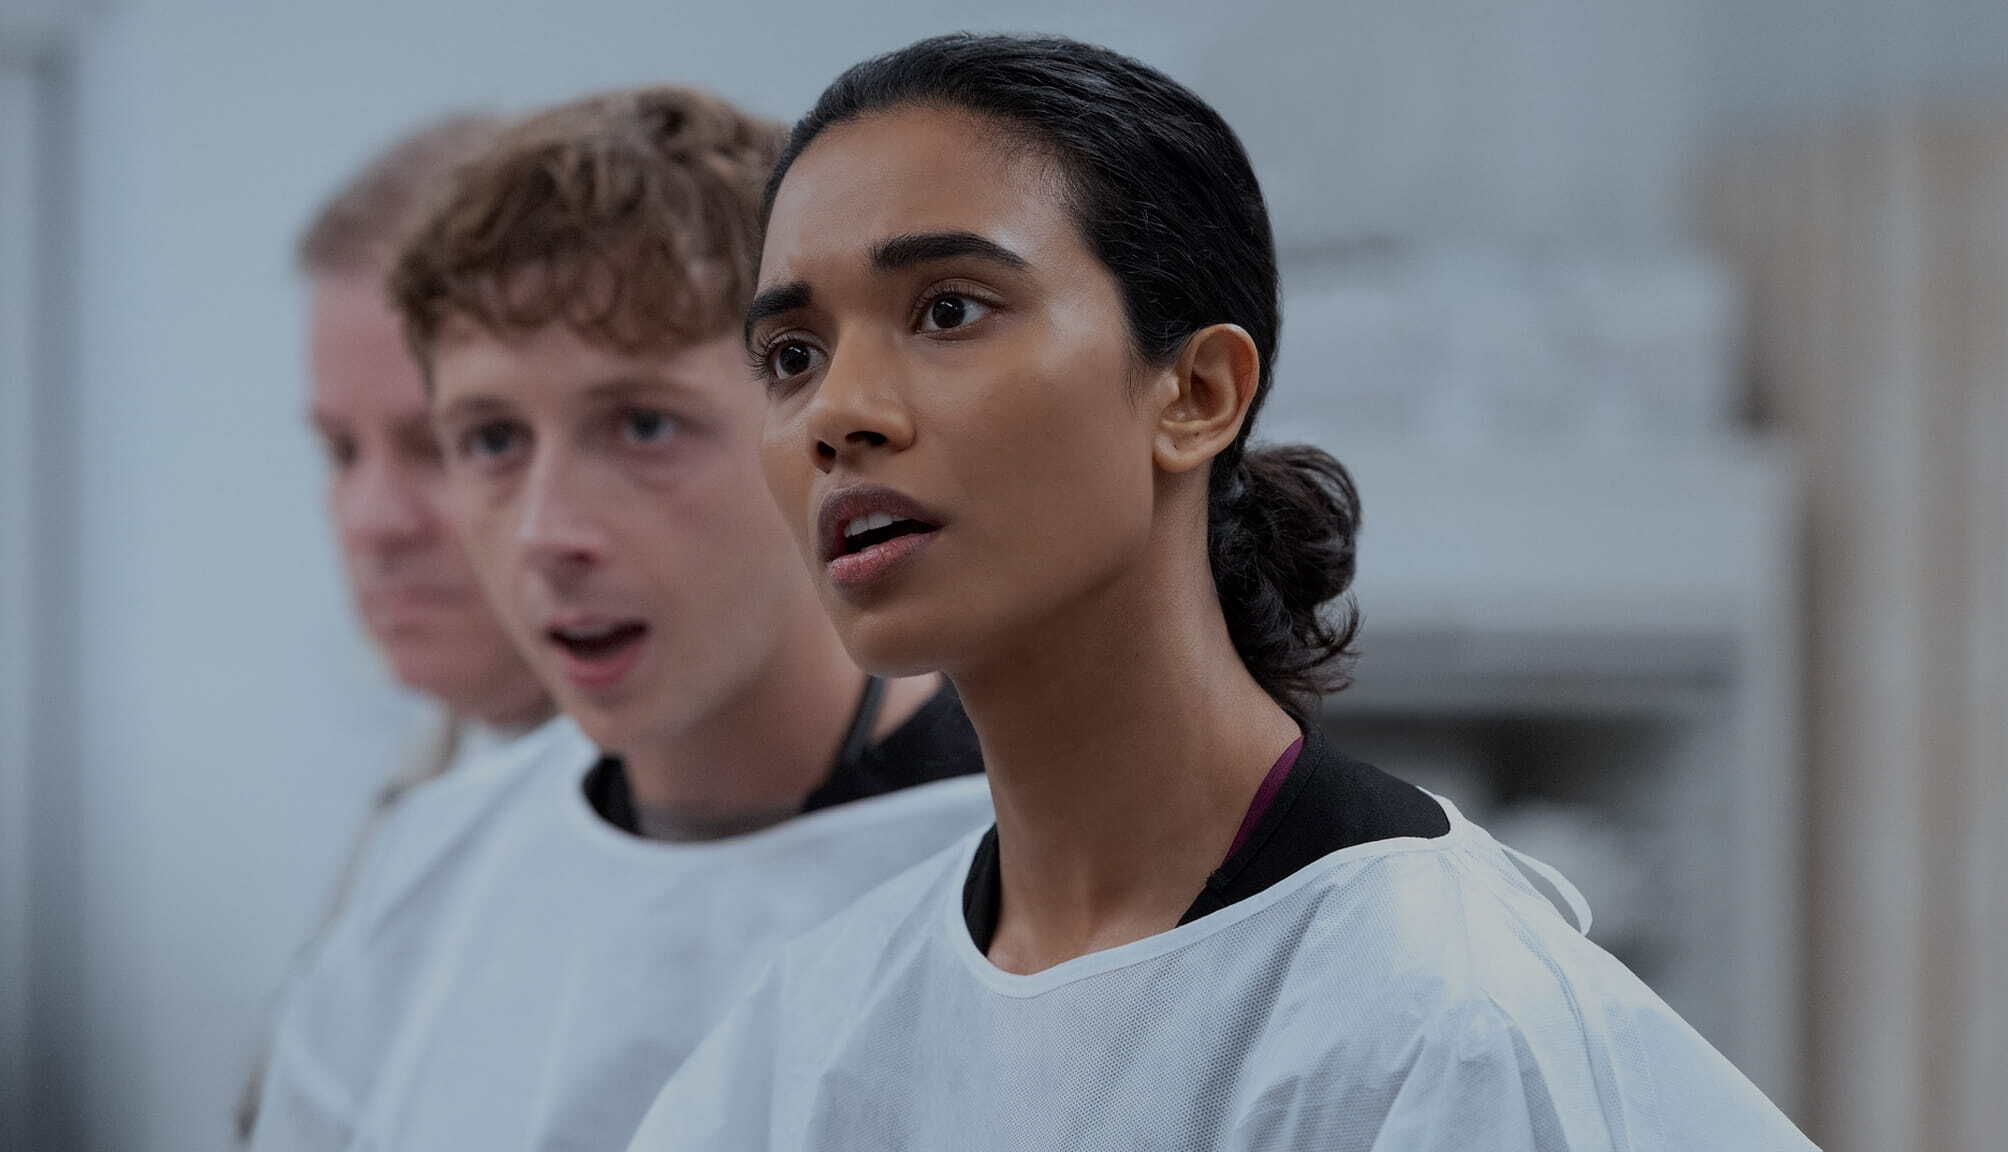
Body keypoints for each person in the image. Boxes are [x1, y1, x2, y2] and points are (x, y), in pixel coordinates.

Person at [630, 34, 1818, 1151]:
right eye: (791, 355)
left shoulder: (1434, 1018)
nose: (838, 412)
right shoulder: (815, 1032)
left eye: (948, 310)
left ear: (1196, 391)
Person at [248, 86, 989, 1152]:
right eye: (492, 439)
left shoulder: (1032, 894)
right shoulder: (432, 873)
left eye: (644, 426)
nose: (548, 531)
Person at [237, 111, 567, 1144]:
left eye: (443, 444)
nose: (373, 520)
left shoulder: (732, 819)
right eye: (340, 451)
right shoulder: (427, 784)